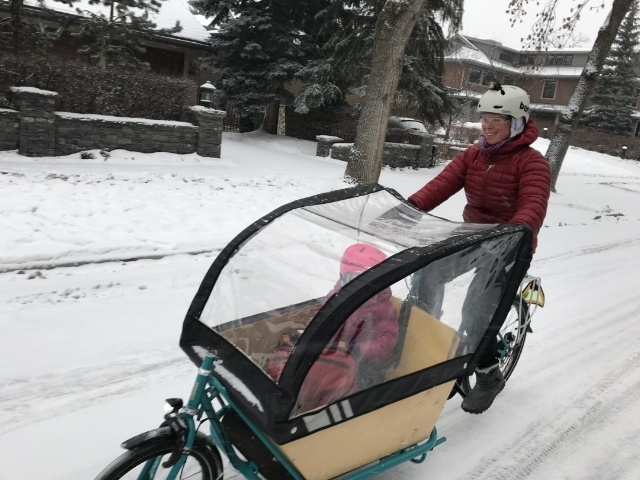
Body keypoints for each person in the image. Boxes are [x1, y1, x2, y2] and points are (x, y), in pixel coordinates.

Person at [407, 83, 551, 414]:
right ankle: (429, 348)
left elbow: (533, 204)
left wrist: (519, 229)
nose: (487, 126)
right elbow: (441, 184)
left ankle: (488, 376)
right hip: (473, 234)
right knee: (427, 272)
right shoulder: (475, 154)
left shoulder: (532, 163)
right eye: (484, 118)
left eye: (496, 120)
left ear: (516, 123)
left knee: (476, 308)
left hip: (511, 242)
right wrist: (409, 208)